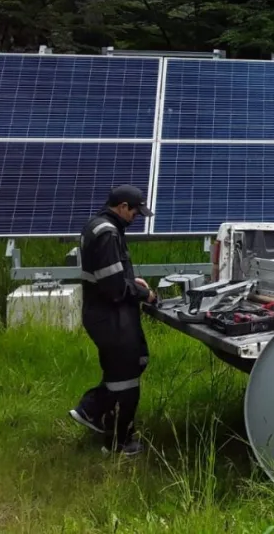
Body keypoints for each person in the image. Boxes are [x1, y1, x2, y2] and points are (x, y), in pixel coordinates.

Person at [68, 184, 157, 456]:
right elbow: (114, 288)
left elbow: (110, 276)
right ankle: (119, 442)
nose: (135, 218)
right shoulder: (107, 233)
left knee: (129, 366)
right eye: (135, 212)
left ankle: (94, 413)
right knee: (126, 377)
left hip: (105, 314)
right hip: (110, 316)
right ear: (122, 207)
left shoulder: (98, 226)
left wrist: (131, 281)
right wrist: (144, 293)